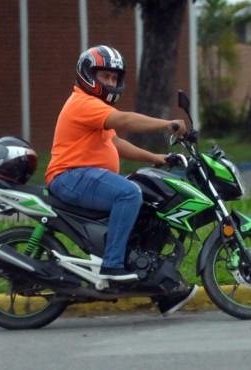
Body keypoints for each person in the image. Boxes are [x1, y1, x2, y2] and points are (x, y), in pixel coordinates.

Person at [45, 45, 198, 316]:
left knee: (145, 201)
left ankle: (154, 282)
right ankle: (113, 267)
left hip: (84, 177)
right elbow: (125, 121)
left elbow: (116, 142)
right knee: (128, 194)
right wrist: (166, 124)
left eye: (115, 78)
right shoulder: (84, 103)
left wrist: (156, 157)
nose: (111, 83)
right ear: (88, 75)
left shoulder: (95, 108)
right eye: (105, 76)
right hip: (69, 176)